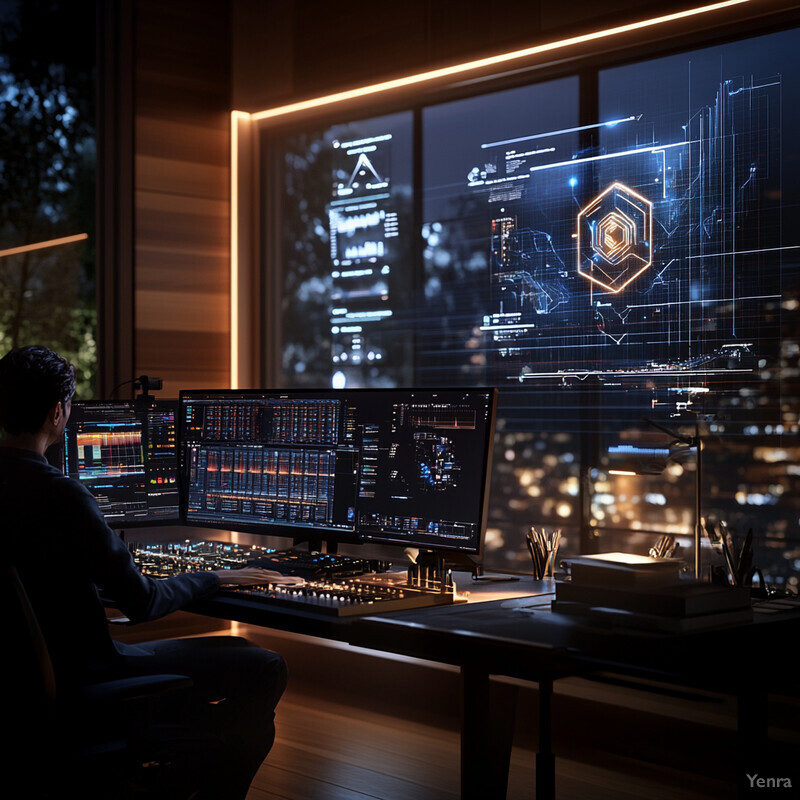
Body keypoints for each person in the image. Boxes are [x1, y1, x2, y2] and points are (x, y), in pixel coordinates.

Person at [0, 345, 289, 799]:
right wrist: (217, 577)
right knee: (264, 666)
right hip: (88, 685)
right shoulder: (64, 497)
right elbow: (142, 602)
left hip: (21, 697)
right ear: (59, 412)